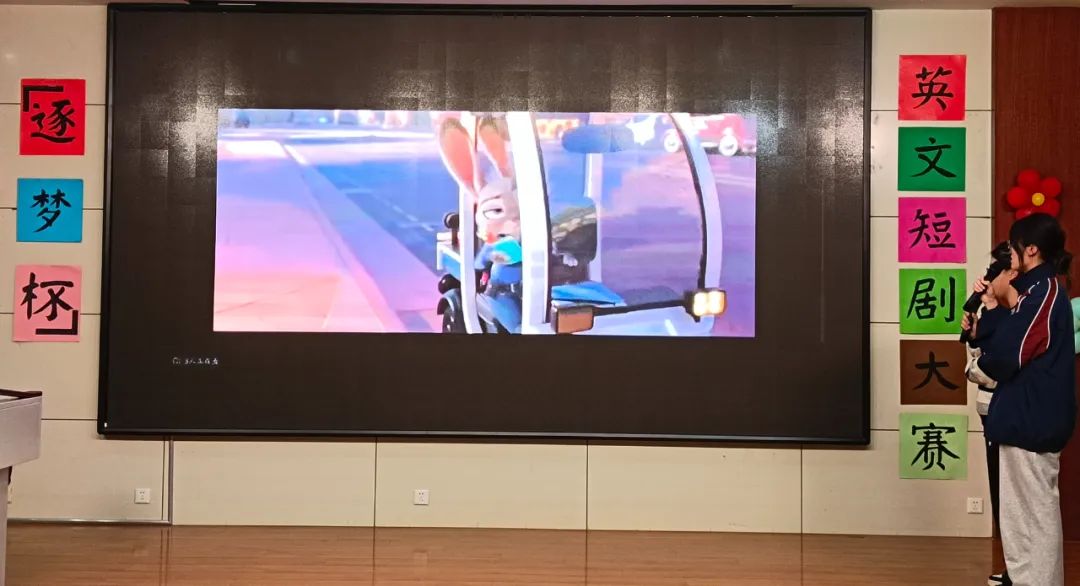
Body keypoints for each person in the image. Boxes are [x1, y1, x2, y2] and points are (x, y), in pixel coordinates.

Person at [962, 213, 1076, 586]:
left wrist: (981, 364)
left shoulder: (1044, 293)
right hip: (1023, 420)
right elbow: (1008, 342)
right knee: (1022, 519)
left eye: (1013, 246)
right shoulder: (1034, 293)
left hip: (1032, 423)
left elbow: (1010, 353)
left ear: (1031, 250)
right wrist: (982, 327)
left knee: (1033, 519)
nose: (1008, 254)